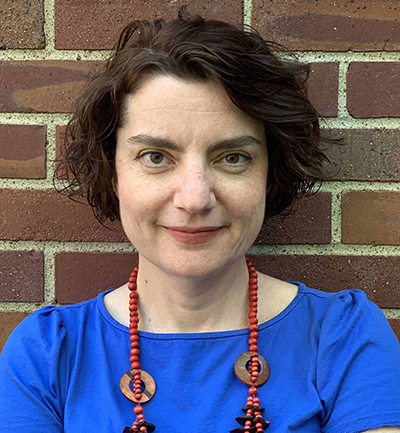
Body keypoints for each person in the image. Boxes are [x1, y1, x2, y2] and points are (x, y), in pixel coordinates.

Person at [1, 6, 400, 433]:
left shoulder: (343, 339)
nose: (194, 198)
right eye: (155, 157)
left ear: (270, 173)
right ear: (113, 172)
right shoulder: (49, 354)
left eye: (232, 157)